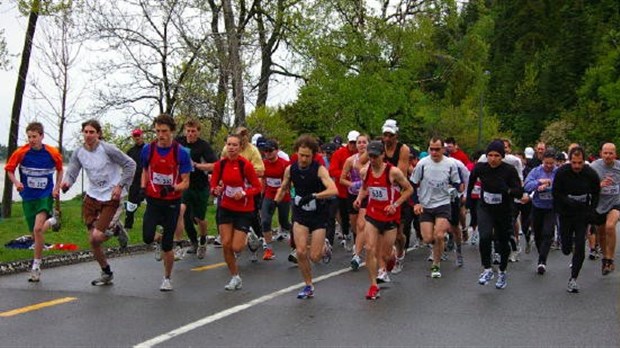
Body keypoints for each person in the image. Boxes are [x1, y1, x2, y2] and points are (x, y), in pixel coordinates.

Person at [62, 119, 136, 286]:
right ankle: (106, 272)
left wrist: (120, 185)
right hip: (92, 197)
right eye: (86, 132)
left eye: (92, 132)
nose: (88, 135)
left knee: (98, 236)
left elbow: (130, 164)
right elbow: (72, 171)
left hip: (111, 196)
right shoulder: (79, 152)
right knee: (93, 241)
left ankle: (115, 228)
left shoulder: (108, 149)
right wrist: (67, 183)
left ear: (98, 134)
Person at [274, 135, 337, 299]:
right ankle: (309, 285)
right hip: (300, 213)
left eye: (307, 156)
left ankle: (325, 247)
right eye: (301, 155)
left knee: (315, 257)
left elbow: (333, 190)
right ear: (296, 152)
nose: (303, 159)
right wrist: (276, 200)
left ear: (314, 155)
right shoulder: (291, 169)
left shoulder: (319, 169)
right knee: (301, 252)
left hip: (318, 216)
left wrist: (315, 196)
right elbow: (283, 187)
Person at [5, 122, 63, 282]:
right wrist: (16, 182)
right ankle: (52, 221)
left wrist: (56, 188)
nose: (31, 140)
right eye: (29, 137)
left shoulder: (52, 153)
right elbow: (9, 169)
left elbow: (60, 169)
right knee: (35, 233)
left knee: (37, 230)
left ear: (42, 136)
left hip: (45, 195)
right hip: (28, 196)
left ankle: (36, 267)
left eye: (34, 137)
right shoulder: (21, 152)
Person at [354, 141, 413, 300]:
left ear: (382, 155)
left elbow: (409, 189)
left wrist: (395, 204)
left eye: (375, 156)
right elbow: (365, 188)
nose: (372, 159)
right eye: (370, 156)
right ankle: (373, 286)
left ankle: (392, 254)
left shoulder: (393, 172)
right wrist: (359, 199)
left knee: (385, 255)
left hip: (390, 217)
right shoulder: (366, 171)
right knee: (370, 248)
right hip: (372, 215)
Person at [140, 114, 191, 291]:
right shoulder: (148, 149)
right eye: (157, 131)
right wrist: (142, 187)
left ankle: (167, 278)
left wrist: (173, 188)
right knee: (147, 237)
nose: (160, 135)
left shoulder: (181, 152)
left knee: (168, 245)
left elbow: (186, 182)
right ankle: (158, 238)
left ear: (172, 132)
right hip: (153, 199)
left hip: (172, 202)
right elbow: (145, 170)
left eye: (164, 131)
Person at [467, 140, 523, 289]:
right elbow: (471, 181)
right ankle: (487, 269)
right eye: (490, 155)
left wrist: (507, 190)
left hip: (503, 210)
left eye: (497, 155)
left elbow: (519, 191)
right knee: (484, 237)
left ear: (502, 156)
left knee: (503, 242)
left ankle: (502, 271)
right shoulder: (480, 168)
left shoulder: (509, 170)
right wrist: (468, 202)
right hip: (485, 207)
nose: (493, 158)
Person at [211, 134, 262, 290]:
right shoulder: (220, 165)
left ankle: (250, 234)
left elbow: (257, 187)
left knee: (237, 248)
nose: (231, 148)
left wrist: (244, 193)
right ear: (225, 146)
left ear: (240, 148)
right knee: (226, 244)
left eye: (235, 145)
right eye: (229, 145)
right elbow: (213, 185)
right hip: (226, 207)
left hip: (243, 209)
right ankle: (235, 277)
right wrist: (216, 190)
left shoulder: (244, 165)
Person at [411, 137, 461, 279]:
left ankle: (436, 264)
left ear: (443, 149)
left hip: (443, 204)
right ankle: (438, 246)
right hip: (426, 204)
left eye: (437, 149)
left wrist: (454, 189)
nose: (434, 152)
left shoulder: (450, 164)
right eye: (431, 149)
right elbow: (412, 184)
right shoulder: (422, 164)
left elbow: (457, 182)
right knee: (427, 238)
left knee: (438, 235)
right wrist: (416, 203)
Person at [553, 146, 600, 292]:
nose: (577, 166)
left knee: (580, 246)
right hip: (566, 213)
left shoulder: (590, 173)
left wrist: (592, 212)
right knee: (566, 248)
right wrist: (567, 201)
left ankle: (573, 279)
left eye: (579, 163)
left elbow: (596, 193)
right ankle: (568, 245)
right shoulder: (562, 172)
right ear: (569, 161)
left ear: (584, 161)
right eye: (574, 163)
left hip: (582, 213)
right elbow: (556, 192)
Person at [176, 120, 217, 259]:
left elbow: (214, 165)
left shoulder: (203, 146)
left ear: (198, 132)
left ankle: (203, 239)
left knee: (199, 218)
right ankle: (189, 243)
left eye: (193, 131)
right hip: (184, 185)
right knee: (183, 214)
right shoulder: (178, 142)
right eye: (188, 131)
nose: (190, 134)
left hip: (200, 186)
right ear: (184, 131)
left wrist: (197, 165)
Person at [381, 119, 411, 274]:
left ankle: (399, 255)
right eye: (385, 135)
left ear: (396, 135)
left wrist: (380, 173)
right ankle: (384, 262)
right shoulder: (379, 147)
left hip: (399, 192)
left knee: (398, 234)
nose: (387, 138)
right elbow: (360, 162)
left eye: (390, 135)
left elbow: (400, 174)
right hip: (381, 193)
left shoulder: (403, 149)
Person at [524, 149, 558, 274]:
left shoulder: (558, 172)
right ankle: (541, 253)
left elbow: (563, 185)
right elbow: (527, 185)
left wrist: (550, 185)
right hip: (537, 207)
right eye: (546, 163)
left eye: (551, 163)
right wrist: (539, 183)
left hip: (551, 207)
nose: (549, 166)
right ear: (542, 161)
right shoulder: (536, 171)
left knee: (547, 233)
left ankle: (542, 261)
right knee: (538, 234)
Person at [340, 134, 369, 270]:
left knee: (361, 223)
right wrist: (352, 184)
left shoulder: (374, 160)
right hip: (353, 194)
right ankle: (359, 242)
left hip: (369, 196)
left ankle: (356, 255)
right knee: (355, 225)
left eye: (364, 142)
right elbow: (342, 179)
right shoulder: (350, 160)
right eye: (359, 142)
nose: (362, 145)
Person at [590, 143, 620, 275]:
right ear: (601, 153)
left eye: (611, 153)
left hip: (616, 202)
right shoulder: (594, 167)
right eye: (605, 153)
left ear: (615, 154)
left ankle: (610, 259)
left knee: (610, 226)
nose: (608, 156)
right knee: (601, 233)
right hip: (600, 204)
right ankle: (605, 258)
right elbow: (586, 185)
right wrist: (599, 185)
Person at [260, 139, 291, 260]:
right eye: (265, 151)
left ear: (277, 151)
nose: (267, 153)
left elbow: (286, 184)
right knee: (265, 221)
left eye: (270, 151)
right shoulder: (263, 163)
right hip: (269, 194)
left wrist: (277, 199)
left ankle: (296, 234)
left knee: (284, 223)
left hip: (283, 195)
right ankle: (269, 249)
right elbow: (263, 179)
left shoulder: (284, 164)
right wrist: (261, 194)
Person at [329, 130, 360, 250]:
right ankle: (346, 234)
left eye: (355, 142)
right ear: (348, 142)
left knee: (358, 215)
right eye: (351, 142)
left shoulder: (362, 154)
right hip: (342, 190)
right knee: (344, 215)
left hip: (358, 191)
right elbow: (332, 170)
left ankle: (357, 238)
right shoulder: (339, 154)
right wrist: (346, 175)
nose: (353, 145)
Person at [124, 128, 145, 230]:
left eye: (138, 135)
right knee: (131, 205)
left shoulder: (148, 149)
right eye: (135, 136)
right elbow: (126, 166)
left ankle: (160, 225)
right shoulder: (130, 151)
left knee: (152, 205)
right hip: (134, 182)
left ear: (142, 135)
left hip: (146, 182)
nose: (137, 138)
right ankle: (127, 227)